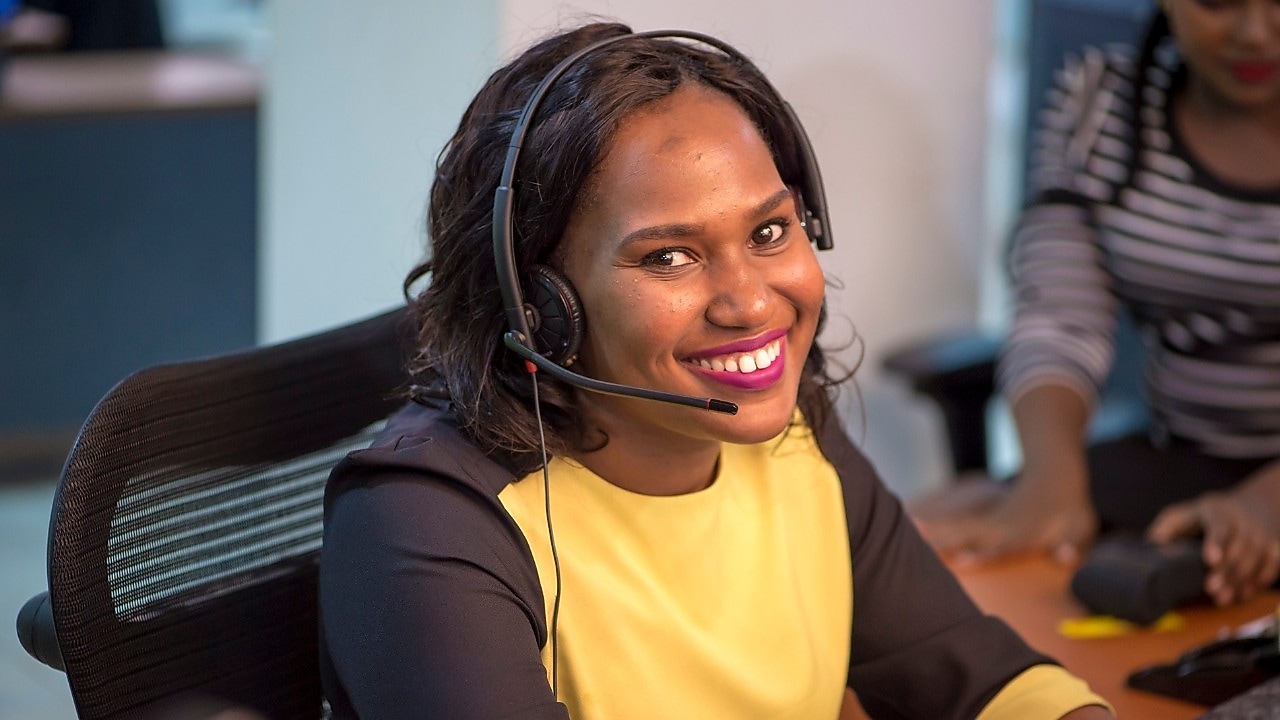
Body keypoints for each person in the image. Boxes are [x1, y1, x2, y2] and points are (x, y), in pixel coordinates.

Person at [318, 21, 1113, 720]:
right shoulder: (427, 522)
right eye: (670, 255)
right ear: (537, 304)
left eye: (770, 231)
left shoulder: (792, 437)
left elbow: (974, 675)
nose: (750, 303)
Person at [912, 0, 1280, 609]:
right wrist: (1050, 484)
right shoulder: (1100, 103)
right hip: (1185, 455)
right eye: (1218, 1)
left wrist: (1266, 505)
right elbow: (1060, 315)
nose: (1255, 33)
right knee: (921, 530)